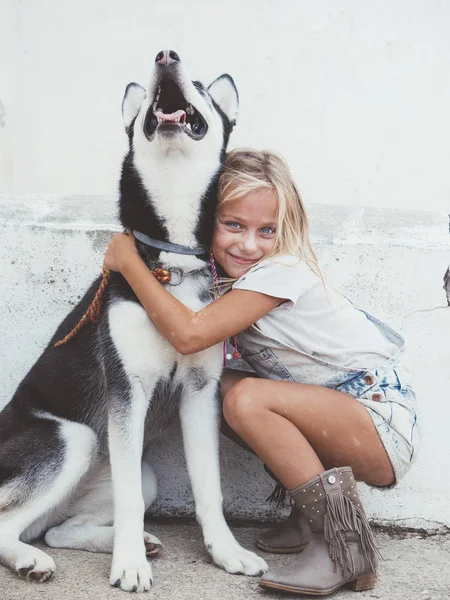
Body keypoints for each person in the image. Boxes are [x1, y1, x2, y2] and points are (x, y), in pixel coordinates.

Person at [103, 148, 420, 596]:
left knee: (246, 399)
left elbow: (190, 336)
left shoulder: (280, 271)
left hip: (380, 419)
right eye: (233, 225)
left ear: (283, 230)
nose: (249, 244)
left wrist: (128, 262)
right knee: (213, 389)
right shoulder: (221, 278)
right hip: (340, 412)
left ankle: (345, 547)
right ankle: (308, 516)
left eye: (266, 230)